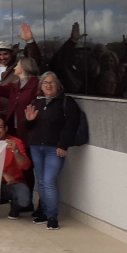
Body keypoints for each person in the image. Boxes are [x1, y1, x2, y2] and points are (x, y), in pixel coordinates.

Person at [24, 72, 80, 230]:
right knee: (41, 182)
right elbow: (28, 127)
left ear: (58, 85)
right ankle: (43, 212)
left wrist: (63, 145)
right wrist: (28, 121)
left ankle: (52, 217)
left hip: (54, 148)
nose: (48, 85)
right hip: (36, 147)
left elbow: (71, 126)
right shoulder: (37, 102)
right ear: (41, 86)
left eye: (51, 82)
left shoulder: (67, 102)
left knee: (48, 182)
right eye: (45, 83)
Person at [0, 56, 40, 141]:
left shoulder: (37, 85)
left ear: (24, 67)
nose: (15, 67)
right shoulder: (15, 86)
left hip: (30, 129)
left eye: (17, 65)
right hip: (13, 128)